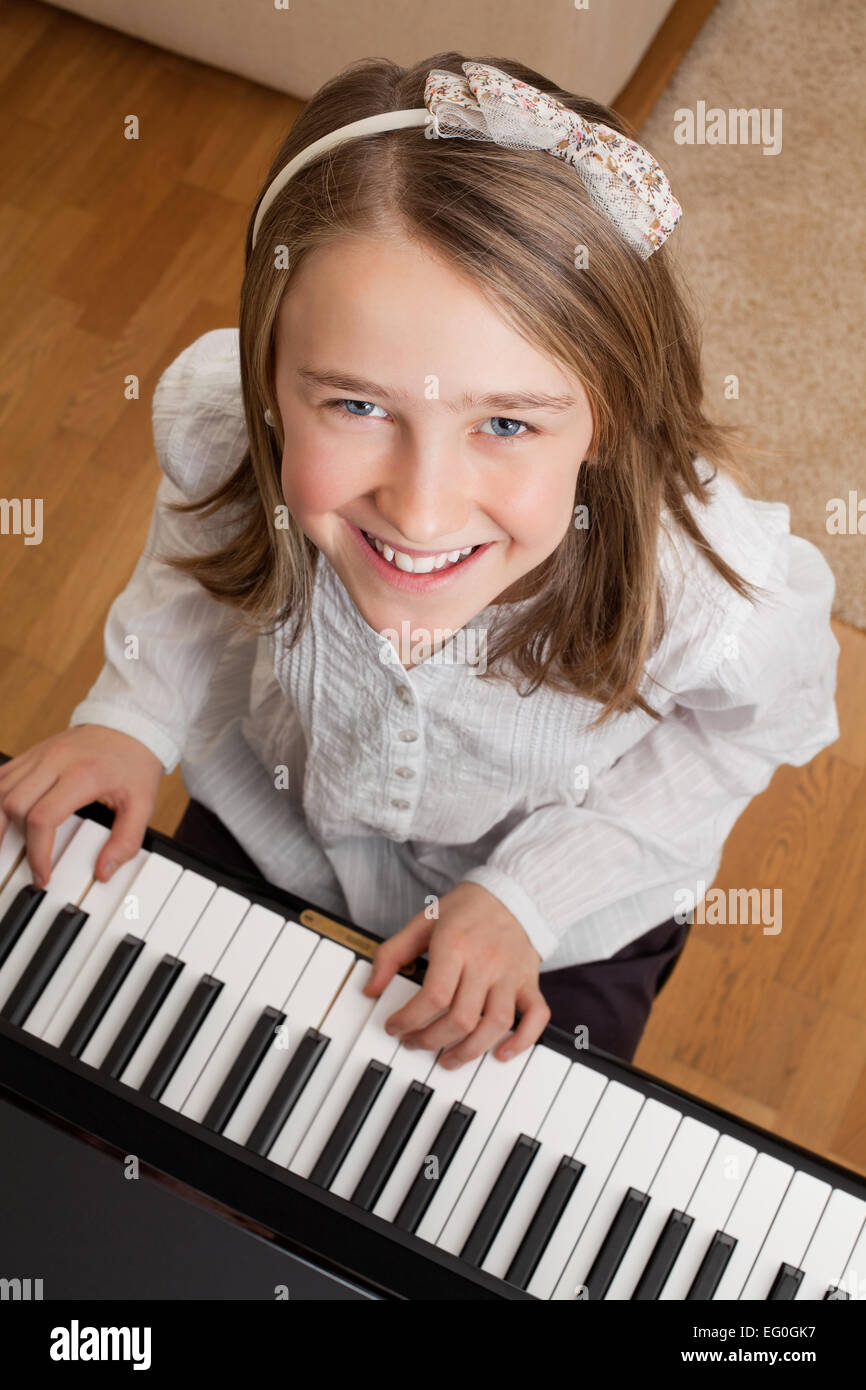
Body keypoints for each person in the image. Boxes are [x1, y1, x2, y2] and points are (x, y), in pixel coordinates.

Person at [0, 54, 839, 1067]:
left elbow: (728, 742)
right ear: (269, 380)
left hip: (550, 919)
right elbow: (203, 548)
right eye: (355, 406)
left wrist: (532, 894)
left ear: (607, 415)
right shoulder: (229, 429)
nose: (420, 506)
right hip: (278, 819)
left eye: (503, 421)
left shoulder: (710, 591)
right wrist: (134, 713)